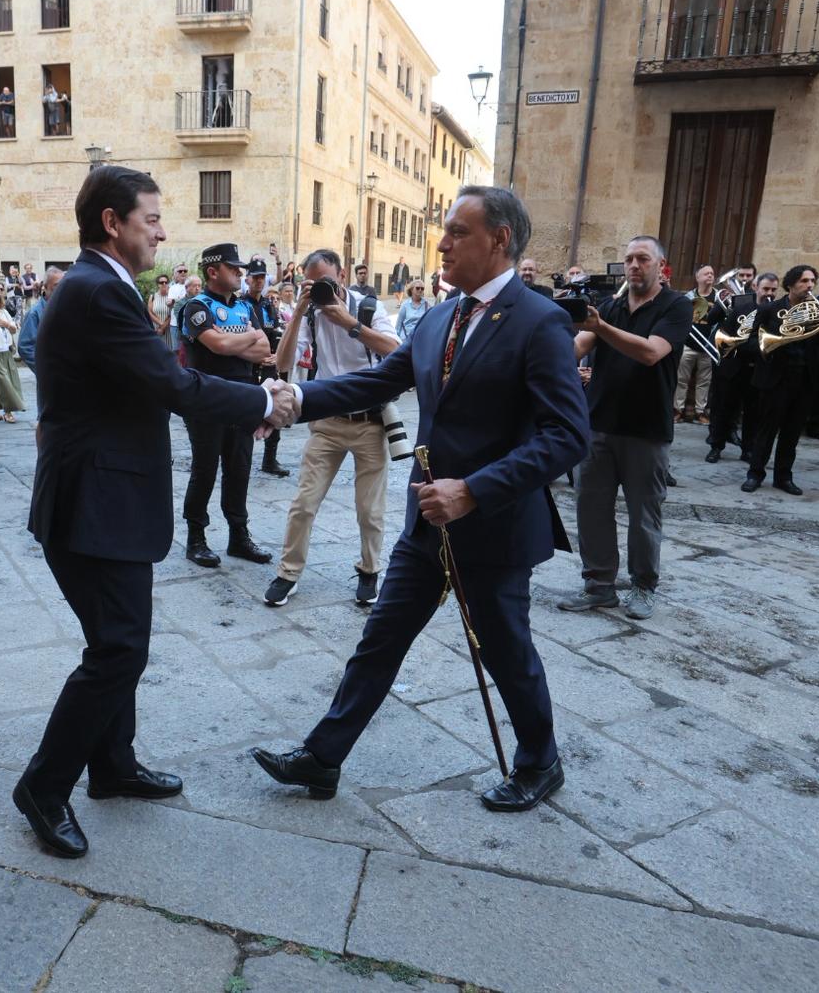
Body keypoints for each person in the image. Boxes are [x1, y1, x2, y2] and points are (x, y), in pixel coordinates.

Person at [249, 186, 588, 813]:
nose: (443, 243)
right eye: (446, 231)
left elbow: (568, 436)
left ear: (500, 240)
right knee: (379, 640)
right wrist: (301, 401)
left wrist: (475, 490)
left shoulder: (540, 321)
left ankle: (541, 761)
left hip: (493, 528)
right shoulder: (441, 315)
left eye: (458, 231)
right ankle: (323, 759)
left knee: (506, 653)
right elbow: (383, 378)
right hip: (427, 523)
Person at [16, 166, 293, 859]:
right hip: (92, 505)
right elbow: (173, 383)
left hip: (109, 499)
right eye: (152, 218)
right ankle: (43, 789)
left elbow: (151, 381)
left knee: (121, 646)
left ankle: (113, 766)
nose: (164, 231)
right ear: (112, 222)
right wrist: (265, 402)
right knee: (117, 651)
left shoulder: (102, 287)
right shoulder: (95, 292)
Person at [560, 236, 691, 620]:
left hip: (646, 430)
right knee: (591, 509)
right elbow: (576, 349)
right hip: (598, 424)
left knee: (644, 514)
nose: (634, 265)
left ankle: (643, 587)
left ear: (661, 266)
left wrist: (601, 327)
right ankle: (598, 586)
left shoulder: (677, 305)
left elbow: (651, 352)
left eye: (643, 259)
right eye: (629, 259)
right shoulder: (611, 306)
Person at [264, 249, 401, 607]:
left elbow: (398, 351)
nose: (320, 289)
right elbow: (283, 362)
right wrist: (297, 312)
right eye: (312, 283)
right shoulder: (309, 316)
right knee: (303, 504)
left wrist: (349, 323)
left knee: (369, 510)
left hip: (370, 422)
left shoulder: (369, 307)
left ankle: (369, 570)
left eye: (325, 281)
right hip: (327, 423)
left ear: (341, 276)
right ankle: (288, 573)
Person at [179, 243, 275, 567]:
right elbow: (217, 345)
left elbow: (263, 349)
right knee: (204, 469)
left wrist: (234, 342)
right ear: (213, 271)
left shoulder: (245, 308)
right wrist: (243, 340)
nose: (240, 273)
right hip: (205, 400)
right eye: (234, 268)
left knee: (240, 469)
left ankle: (238, 536)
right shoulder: (196, 307)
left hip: (243, 396)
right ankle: (196, 538)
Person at [742, 265, 819, 496]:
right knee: (766, 430)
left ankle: (783, 477)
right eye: (804, 281)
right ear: (791, 284)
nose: (809, 286)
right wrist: (776, 344)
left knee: (792, 433)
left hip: (804, 381)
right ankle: (755, 474)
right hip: (775, 378)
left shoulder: (818, 311)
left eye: (812, 281)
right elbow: (750, 342)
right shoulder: (770, 309)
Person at [705, 274, 775, 464]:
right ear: (756, 287)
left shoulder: (775, 312)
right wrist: (751, 345)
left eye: (773, 290)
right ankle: (716, 446)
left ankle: (748, 449)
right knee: (724, 409)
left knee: (753, 413)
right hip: (733, 367)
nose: (769, 293)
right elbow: (725, 336)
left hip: (757, 370)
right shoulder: (741, 308)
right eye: (766, 289)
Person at [240, 258, 290, 478]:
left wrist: (275, 356)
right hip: (248, 368)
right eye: (255, 277)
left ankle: (270, 460)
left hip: (269, 367)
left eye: (262, 277)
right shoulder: (240, 304)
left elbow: (276, 334)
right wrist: (257, 357)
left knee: (275, 411)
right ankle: (242, 460)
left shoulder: (270, 305)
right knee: (247, 415)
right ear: (247, 279)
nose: (259, 281)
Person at [674, 264, 718, 424]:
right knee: (681, 379)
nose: (710, 276)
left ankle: (701, 412)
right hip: (688, 344)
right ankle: (678, 409)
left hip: (708, 345)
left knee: (704, 381)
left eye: (712, 273)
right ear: (697, 277)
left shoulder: (719, 297)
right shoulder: (688, 297)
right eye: (706, 273)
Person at [0, 290, 26, 421]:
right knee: (4, 383)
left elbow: (14, 330)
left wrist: (6, 324)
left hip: (7, 352)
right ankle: (8, 412)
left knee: (8, 382)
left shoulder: (4, 313)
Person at [19, 266, 62, 372]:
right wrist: (47, 369)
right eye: (56, 286)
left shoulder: (68, 308)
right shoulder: (34, 313)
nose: (61, 289)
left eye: (64, 285)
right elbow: (25, 347)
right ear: (45, 287)